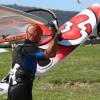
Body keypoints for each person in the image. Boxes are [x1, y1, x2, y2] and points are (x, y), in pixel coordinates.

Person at [7, 23, 58, 100]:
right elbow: (51, 53)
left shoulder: (21, 47)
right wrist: (55, 36)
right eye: (40, 35)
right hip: (21, 88)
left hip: (15, 87)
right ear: (35, 34)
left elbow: (44, 58)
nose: (40, 38)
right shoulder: (29, 49)